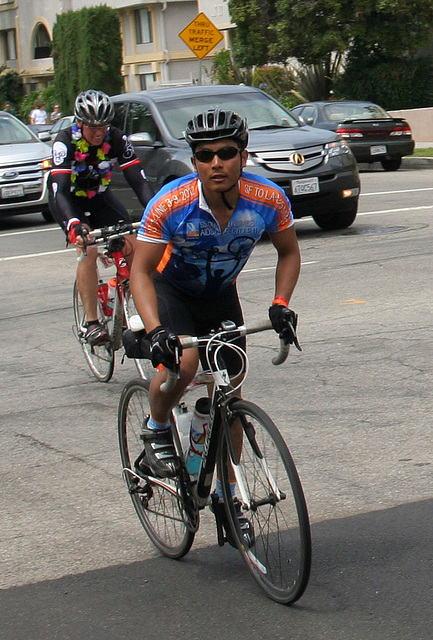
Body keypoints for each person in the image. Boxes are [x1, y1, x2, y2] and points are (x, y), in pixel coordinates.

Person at [129, 108, 301, 541]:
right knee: (183, 365)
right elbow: (140, 272)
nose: (216, 163)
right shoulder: (171, 202)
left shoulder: (267, 200)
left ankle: (227, 493)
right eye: (205, 156)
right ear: (195, 162)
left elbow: (289, 252)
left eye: (226, 153)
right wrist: (155, 331)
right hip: (172, 290)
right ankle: (156, 427)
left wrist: (280, 303)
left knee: (231, 388)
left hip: (219, 294)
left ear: (243, 156)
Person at [49, 89, 153, 345]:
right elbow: (60, 189)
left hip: (99, 196)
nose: (98, 132)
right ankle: (91, 323)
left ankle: (139, 302)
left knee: (134, 244)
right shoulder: (65, 142)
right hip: (67, 199)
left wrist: (154, 211)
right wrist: (74, 224)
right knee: (89, 250)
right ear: (80, 124)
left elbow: (138, 181)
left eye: (103, 126)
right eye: (92, 127)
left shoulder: (117, 138)